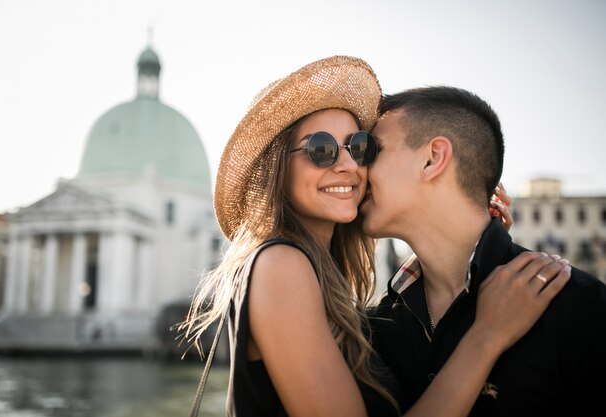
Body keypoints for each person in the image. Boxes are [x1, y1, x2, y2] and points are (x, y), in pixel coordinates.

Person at [180, 56, 570, 417]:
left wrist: (458, 247)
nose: (349, 164)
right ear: (277, 168)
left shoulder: (318, 276)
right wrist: (487, 334)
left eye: (359, 147)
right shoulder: (281, 265)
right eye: (321, 149)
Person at [363, 86, 606, 417]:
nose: (357, 168)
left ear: (432, 159)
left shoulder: (578, 305)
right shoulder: (373, 330)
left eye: (372, 150)